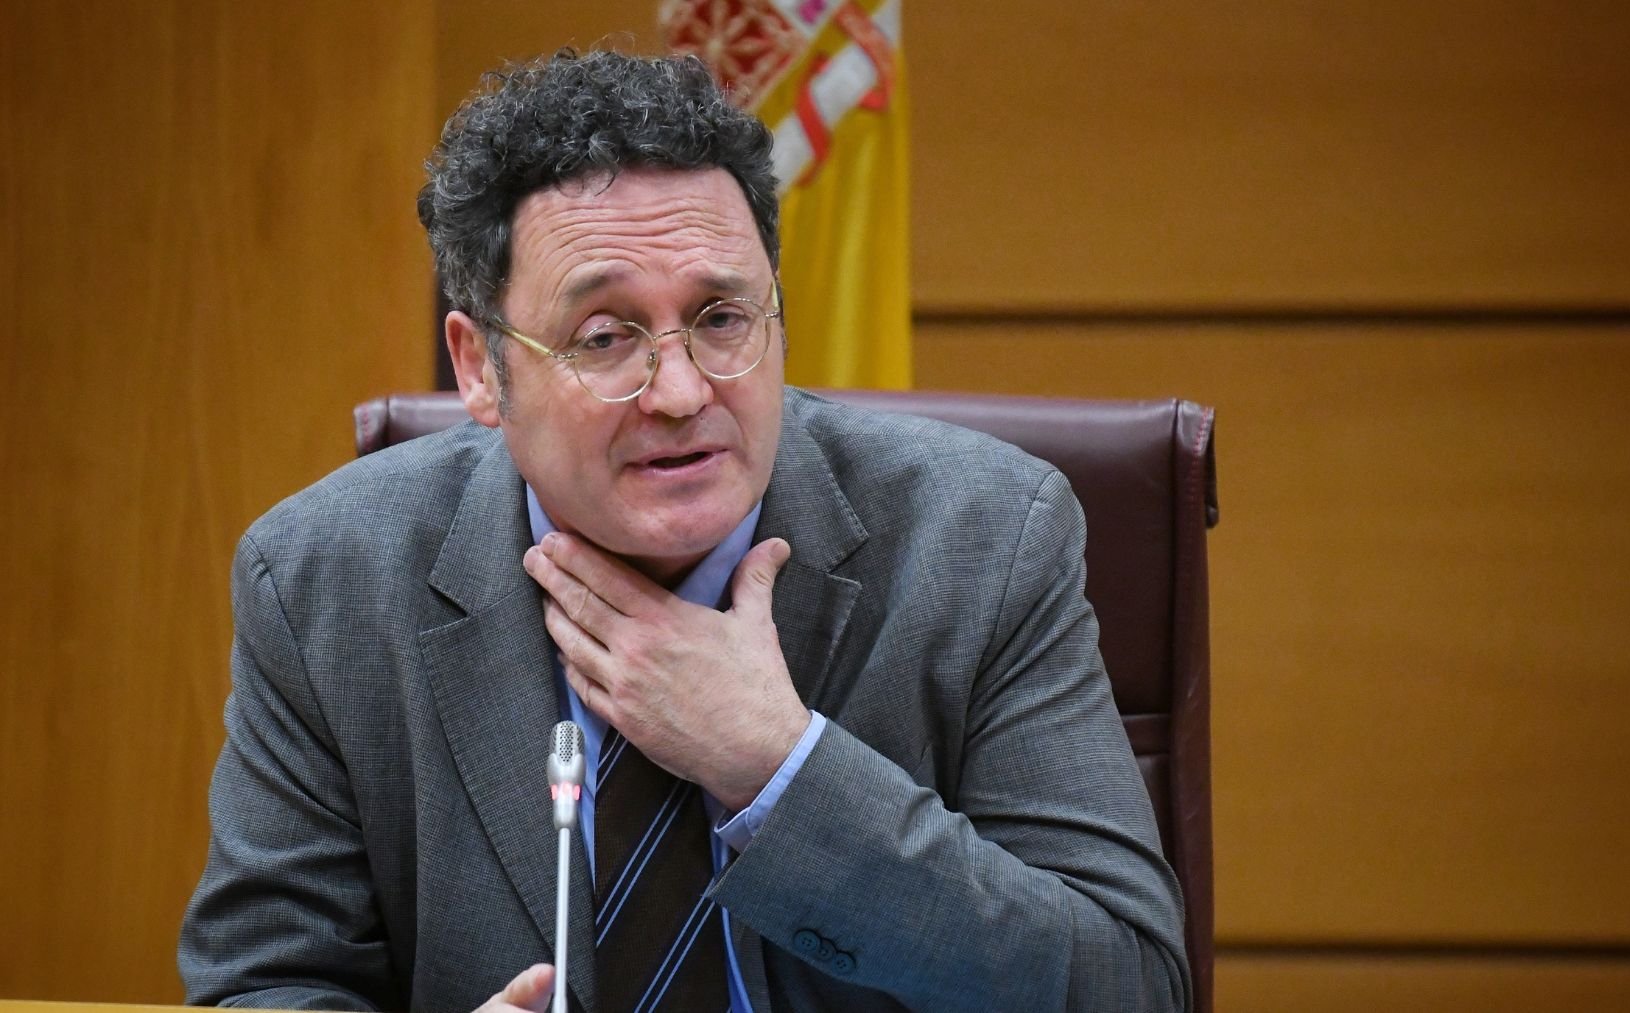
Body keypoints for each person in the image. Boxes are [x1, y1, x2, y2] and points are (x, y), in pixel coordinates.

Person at [180, 49, 1189, 1012]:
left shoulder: (983, 541)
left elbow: (1127, 982)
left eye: (720, 317)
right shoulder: (324, 581)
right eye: (606, 335)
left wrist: (780, 766)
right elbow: (266, 980)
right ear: (481, 365)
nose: (680, 390)